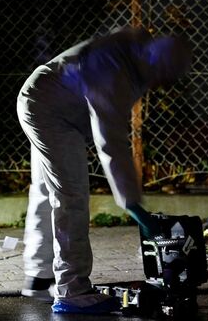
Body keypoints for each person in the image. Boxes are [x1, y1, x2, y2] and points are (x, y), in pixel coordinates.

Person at [16, 27, 193, 314]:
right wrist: (133, 206)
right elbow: (111, 144)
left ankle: (39, 276)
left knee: (47, 190)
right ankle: (72, 290)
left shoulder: (133, 52)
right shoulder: (113, 71)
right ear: (158, 67)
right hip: (52, 113)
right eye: (164, 78)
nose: (161, 85)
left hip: (40, 98)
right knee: (71, 196)